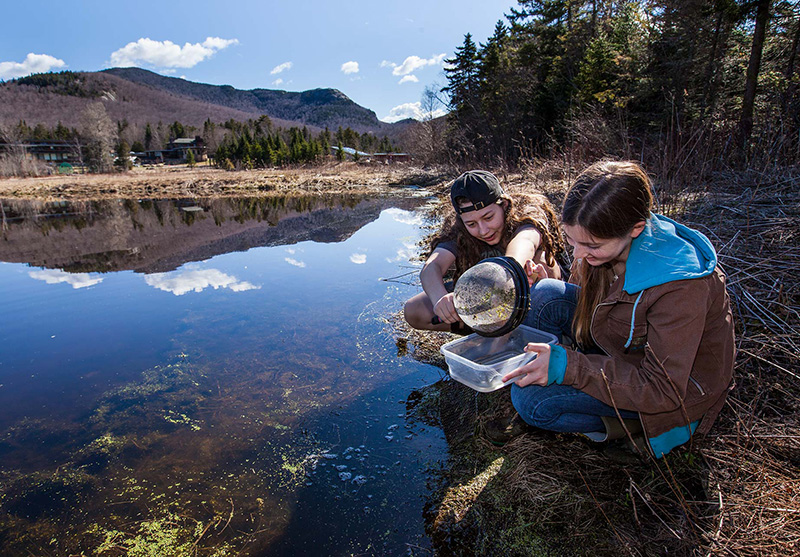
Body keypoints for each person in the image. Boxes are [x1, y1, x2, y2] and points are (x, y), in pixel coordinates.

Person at [502, 160, 735, 458]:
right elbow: (593, 295)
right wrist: (550, 278)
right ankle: (561, 371)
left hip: (667, 393)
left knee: (530, 400)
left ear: (636, 228)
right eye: (572, 240)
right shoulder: (608, 237)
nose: (578, 254)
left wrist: (570, 367)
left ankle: (629, 431)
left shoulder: (682, 286)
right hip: (624, 345)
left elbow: (662, 389)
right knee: (546, 294)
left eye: (592, 246)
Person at [404, 170, 566, 333]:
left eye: (488, 218)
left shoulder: (525, 214)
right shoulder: (459, 230)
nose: (483, 231)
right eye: (472, 224)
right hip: (485, 295)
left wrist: (505, 280)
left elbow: (526, 241)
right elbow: (432, 266)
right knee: (414, 310)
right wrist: (440, 299)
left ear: (504, 205)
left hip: (527, 295)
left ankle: (536, 332)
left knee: (544, 262)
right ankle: (488, 330)